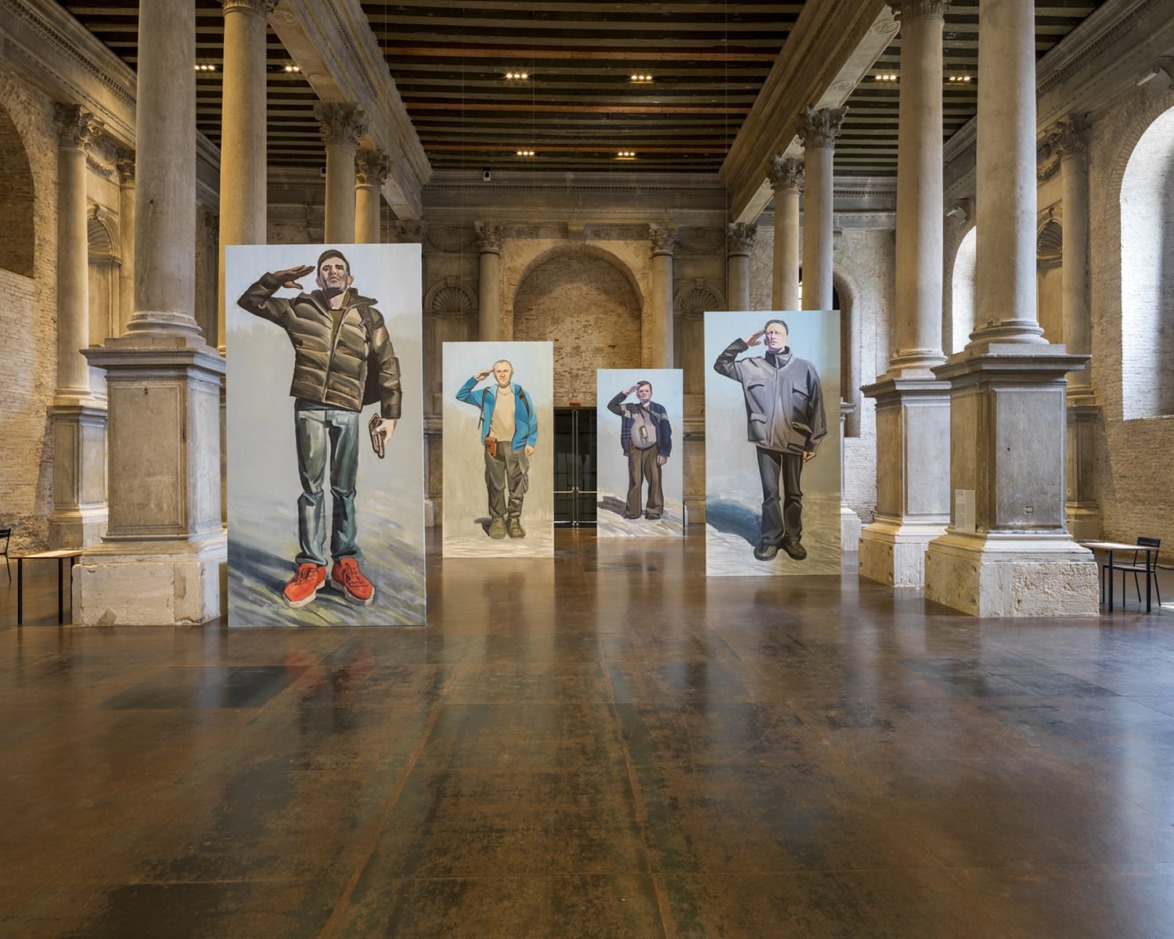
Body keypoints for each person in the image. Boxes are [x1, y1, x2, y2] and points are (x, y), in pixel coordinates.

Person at [237, 249, 400, 607]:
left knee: (344, 490)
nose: (333, 272)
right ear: (318, 278)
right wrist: (275, 280)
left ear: (350, 278)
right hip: (309, 407)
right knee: (311, 490)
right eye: (326, 268)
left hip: (347, 409)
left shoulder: (369, 316)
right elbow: (250, 300)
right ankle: (312, 566)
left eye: (340, 268)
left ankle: (345, 563)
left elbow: (388, 364)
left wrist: (391, 415)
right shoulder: (299, 308)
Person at [714, 318, 826, 561]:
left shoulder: (805, 368)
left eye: (778, 332)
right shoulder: (750, 366)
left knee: (794, 493)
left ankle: (793, 538)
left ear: (786, 337)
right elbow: (721, 365)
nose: (773, 336)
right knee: (771, 493)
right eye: (769, 333)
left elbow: (817, 406)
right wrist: (742, 344)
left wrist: (813, 442)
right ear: (764, 339)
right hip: (765, 440)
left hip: (795, 439)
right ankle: (771, 539)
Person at [456, 360, 539, 539]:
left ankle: (514, 520)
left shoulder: (522, 394)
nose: (502, 374)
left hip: (516, 446)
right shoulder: (486, 394)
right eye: (498, 371)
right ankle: (498, 520)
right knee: (495, 484)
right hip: (493, 445)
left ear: (511, 373)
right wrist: (475, 379)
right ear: (494, 374)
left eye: (505, 371)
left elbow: (532, 419)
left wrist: (530, 442)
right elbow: (461, 395)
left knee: (517, 484)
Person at [607, 381, 672, 520]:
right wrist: (626, 392)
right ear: (637, 394)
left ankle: (654, 511)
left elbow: (666, 430)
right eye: (641, 391)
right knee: (635, 480)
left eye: (646, 391)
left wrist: (664, 452)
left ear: (651, 393)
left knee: (655, 479)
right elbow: (611, 406)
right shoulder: (629, 408)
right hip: (634, 449)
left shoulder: (659, 409)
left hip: (654, 449)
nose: (643, 393)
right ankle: (633, 512)